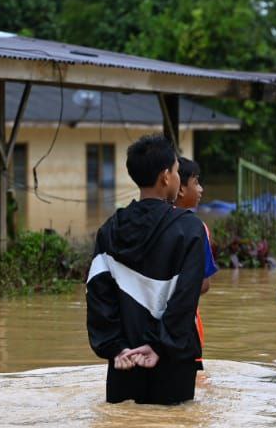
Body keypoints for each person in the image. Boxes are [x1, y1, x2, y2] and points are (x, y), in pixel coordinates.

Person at [86, 134, 207, 405]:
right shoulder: (190, 230)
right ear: (166, 177)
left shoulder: (109, 230)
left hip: (123, 362)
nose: (177, 177)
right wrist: (158, 344)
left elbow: (97, 295)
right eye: (177, 171)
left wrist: (115, 347)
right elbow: (186, 299)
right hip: (172, 360)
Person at [176, 156, 218, 357]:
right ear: (180, 188)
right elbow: (203, 285)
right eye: (196, 182)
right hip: (184, 323)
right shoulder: (198, 229)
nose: (201, 189)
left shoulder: (142, 224)